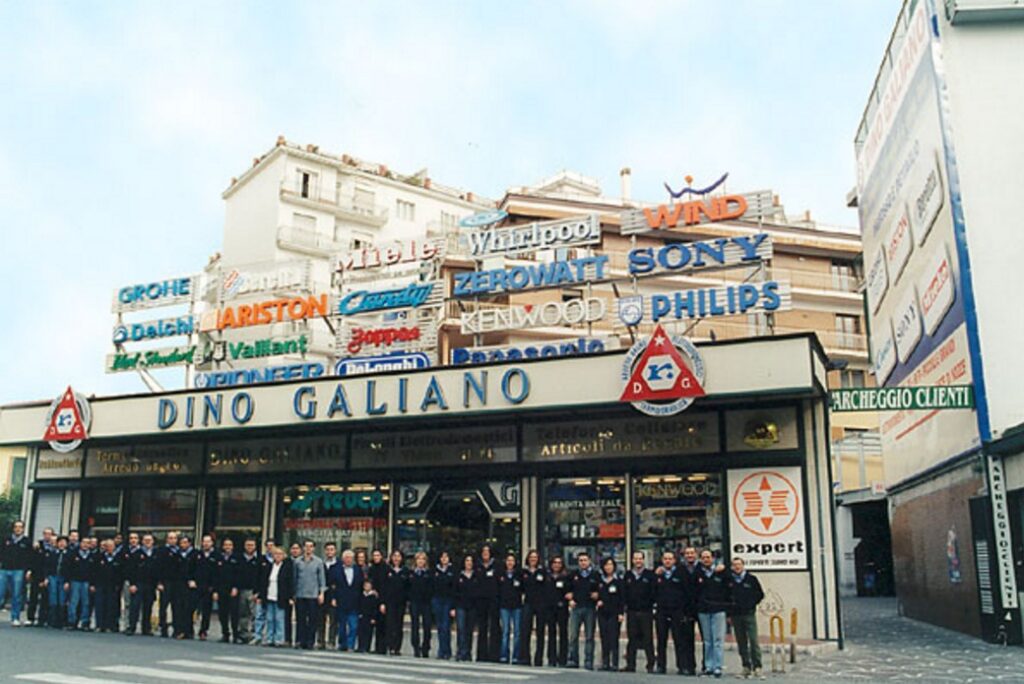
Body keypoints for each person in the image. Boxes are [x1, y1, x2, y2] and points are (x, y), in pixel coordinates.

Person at [654, 550, 696, 675]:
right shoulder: (658, 575)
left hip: (677, 612)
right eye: (665, 559)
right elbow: (652, 592)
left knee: (679, 640)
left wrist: (685, 612)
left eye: (670, 559)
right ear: (662, 560)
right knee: (661, 640)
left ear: (674, 560)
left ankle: (682, 666)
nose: (667, 561)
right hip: (661, 611)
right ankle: (661, 666)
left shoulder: (681, 573)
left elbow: (687, 593)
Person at [728, 557, 765, 680]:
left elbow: (760, 594)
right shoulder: (730, 580)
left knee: (753, 641)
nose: (737, 567)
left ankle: (757, 667)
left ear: (743, 565)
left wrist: (751, 604)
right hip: (736, 615)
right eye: (734, 565)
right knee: (741, 642)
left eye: (739, 564)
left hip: (749, 614)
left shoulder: (751, 579)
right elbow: (726, 596)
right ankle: (746, 666)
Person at [696, 549, 729, 678]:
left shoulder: (721, 573)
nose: (706, 559)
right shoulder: (698, 573)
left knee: (718, 640)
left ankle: (718, 667)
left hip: (719, 610)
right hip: (703, 610)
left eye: (708, 557)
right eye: (703, 557)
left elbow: (728, 588)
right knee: (707, 640)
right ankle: (708, 666)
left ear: (713, 558)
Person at [622, 551, 656, 673]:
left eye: (640, 559)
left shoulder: (650, 575)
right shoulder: (628, 575)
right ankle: (631, 665)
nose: (638, 561)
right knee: (632, 639)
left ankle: (650, 665)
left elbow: (654, 593)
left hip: (646, 612)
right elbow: (624, 593)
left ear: (643, 560)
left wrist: (650, 605)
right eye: (635, 559)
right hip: (632, 612)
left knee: (648, 639)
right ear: (632, 560)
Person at [566, 551, 599, 670]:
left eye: (585, 560)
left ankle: (588, 661)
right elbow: (566, 589)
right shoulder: (573, 575)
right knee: (573, 636)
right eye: (580, 560)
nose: (583, 562)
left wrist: (597, 595)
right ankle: (573, 660)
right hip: (576, 608)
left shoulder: (595, 575)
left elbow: (600, 590)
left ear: (589, 561)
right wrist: (569, 598)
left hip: (590, 608)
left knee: (589, 636)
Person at [293, 540, 326, 650]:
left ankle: (310, 642)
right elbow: (295, 578)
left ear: (313, 548)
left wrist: (321, 593)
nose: (308, 549)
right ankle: (300, 641)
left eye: (310, 546)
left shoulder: (318, 562)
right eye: (306, 546)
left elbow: (322, 579)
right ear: (303, 548)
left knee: (312, 620)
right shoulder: (297, 562)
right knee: (300, 619)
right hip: (300, 594)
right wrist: (293, 594)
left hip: (313, 595)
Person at [259, 546, 294, 648]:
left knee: (279, 619)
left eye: (280, 554)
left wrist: (290, 597)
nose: (278, 556)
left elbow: (290, 583)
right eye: (276, 554)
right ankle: (270, 639)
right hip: (269, 595)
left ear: (283, 556)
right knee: (270, 619)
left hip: (281, 597)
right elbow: (264, 581)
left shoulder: (287, 567)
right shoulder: (269, 566)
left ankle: (279, 639)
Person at [0, 520, 33, 626]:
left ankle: (15, 617)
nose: (18, 529)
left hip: (19, 570)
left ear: (23, 529)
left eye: (20, 527)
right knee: (0, 592)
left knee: (17, 594)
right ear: (13, 528)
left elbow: (29, 557)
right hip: (4, 569)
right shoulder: (6, 539)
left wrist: (28, 570)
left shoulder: (27, 541)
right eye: (16, 527)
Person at [328, 549, 362, 651]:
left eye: (350, 558)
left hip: (354, 602)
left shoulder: (357, 570)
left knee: (353, 626)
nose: (348, 560)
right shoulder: (336, 570)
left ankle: (350, 645)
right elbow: (332, 585)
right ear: (343, 559)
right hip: (341, 601)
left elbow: (360, 585)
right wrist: (333, 598)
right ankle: (342, 644)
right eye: (346, 558)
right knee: (342, 626)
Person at [125, 533, 157, 636]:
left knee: (148, 607)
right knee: (135, 606)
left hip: (151, 585)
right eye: (145, 540)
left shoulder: (156, 554)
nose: (148, 542)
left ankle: (146, 628)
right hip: (138, 584)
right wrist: (132, 584)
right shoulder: (136, 554)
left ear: (153, 542)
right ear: (142, 541)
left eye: (150, 540)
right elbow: (130, 570)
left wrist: (158, 583)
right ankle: (132, 627)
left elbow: (160, 570)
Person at [520, 549, 548, 667]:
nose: (533, 559)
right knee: (525, 630)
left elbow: (547, 587)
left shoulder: (543, 572)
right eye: (531, 557)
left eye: (535, 557)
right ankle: (525, 658)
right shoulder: (523, 572)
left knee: (540, 632)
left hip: (541, 604)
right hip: (528, 603)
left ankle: (538, 659)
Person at [596, 557, 624, 672]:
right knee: (604, 638)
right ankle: (605, 662)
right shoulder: (600, 581)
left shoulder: (618, 581)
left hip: (614, 613)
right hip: (602, 613)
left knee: (614, 638)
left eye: (611, 565)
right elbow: (595, 594)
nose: (608, 567)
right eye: (606, 565)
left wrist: (621, 613)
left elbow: (622, 598)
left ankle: (615, 663)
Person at [497, 552, 525, 665]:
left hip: (517, 607)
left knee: (517, 632)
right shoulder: (501, 575)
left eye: (512, 561)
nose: (510, 563)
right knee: (505, 631)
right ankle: (504, 655)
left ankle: (516, 656)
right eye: (508, 560)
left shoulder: (519, 575)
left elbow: (523, 589)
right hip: (504, 607)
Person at [381, 549, 410, 655]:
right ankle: (390, 646)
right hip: (389, 602)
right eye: (394, 556)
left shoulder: (406, 571)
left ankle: (397, 647)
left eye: (398, 556)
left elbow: (408, 588)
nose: (396, 558)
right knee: (389, 624)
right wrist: (382, 603)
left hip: (401, 602)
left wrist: (407, 601)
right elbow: (383, 588)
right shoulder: (387, 570)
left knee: (398, 625)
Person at [475, 544, 500, 662]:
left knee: (494, 627)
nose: (485, 553)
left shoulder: (497, 566)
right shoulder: (477, 566)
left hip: (493, 600)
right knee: (482, 627)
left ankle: (494, 655)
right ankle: (481, 655)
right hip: (480, 600)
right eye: (483, 551)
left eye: (487, 551)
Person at [91, 538, 122, 633]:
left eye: (111, 546)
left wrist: (118, 584)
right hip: (100, 585)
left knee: (111, 606)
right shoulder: (99, 557)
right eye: (107, 546)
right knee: (99, 605)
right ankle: (99, 625)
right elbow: (93, 572)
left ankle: (110, 626)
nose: (109, 548)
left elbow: (121, 573)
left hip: (113, 586)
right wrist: (93, 584)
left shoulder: (118, 558)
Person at [213, 538, 240, 643]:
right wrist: (215, 591)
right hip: (221, 589)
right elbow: (215, 575)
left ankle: (235, 635)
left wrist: (236, 587)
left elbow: (239, 574)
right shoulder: (218, 558)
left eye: (230, 545)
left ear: (232, 546)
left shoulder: (237, 558)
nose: (227, 547)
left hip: (232, 589)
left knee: (234, 614)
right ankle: (225, 633)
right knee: (222, 613)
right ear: (223, 546)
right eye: (226, 545)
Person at [27, 527, 54, 627]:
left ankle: (42, 619)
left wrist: (47, 577)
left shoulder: (53, 548)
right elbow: (31, 559)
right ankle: (30, 618)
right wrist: (29, 570)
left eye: (49, 534)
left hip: (47, 576)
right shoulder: (37, 546)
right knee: (33, 597)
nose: (47, 536)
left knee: (45, 599)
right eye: (45, 534)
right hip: (36, 574)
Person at [154, 531, 179, 637]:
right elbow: (158, 567)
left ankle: (176, 628)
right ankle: (163, 627)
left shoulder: (179, 551)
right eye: (170, 538)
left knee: (176, 606)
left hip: (177, 583)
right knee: (164, 605)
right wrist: (159, 582)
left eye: (174, 538)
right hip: (165, 582)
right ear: (167, 539)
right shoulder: (161, 551)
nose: (172, 540)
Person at [409, 551, 434, 658]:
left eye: (423, 559)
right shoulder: (411, 573)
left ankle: (426, 647)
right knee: (414, 625)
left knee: (427, 625)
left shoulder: (429, 574)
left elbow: (432, 588)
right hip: (414, 602)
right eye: (418, 559)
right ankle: (416, 647)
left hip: (426, 602)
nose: (420, 561)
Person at [66, 536, 94, 630]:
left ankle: (85, 622)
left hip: (87, 582)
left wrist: (92, 584)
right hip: (75, 581)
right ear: (80, 543)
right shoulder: (73, 554)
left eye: (88, 543)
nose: (85, 545)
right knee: (73, 602)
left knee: (86, 603)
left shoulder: (93, 556)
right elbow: (68, 568)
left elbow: (95, 571)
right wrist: (67, 581)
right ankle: (71, 622)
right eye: (84, 542)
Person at [235, 538, 260, 644]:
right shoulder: (239, 558)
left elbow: (262, 577)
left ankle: (255, 635)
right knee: (243, 613)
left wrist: (258, 592)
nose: (250, 547)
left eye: (252, 545)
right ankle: (243, 634)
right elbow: (235, 574)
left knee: (255, 613)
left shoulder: (259, 559)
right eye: (248, 545)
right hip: (242, 590)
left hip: (254, 591)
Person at [453, 554, 477, 662]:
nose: (469, 563)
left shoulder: (476, 576)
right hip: (460, 606)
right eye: (467, 560)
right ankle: (460, 652)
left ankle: (468, 652)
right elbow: (454, 592)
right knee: (461, 629)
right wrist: (453, 607)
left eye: (471, 561)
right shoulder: (459, 576)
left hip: (472, 607)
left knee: (469, 630)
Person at [174, 535, 199, 639]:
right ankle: (179, 630)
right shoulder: (177, 554)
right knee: (178, 608)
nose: (183, 545)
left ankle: (188, 630)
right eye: (181, 543)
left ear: (189, 543)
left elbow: (199, 569)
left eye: (185, 542)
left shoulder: (195, 554)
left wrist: (194, 580)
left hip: (191, 585)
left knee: (189, 608)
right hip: (179, 584)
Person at [432, 550, 455, 660]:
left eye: (446, 557)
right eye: (442, 557)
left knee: (446, 626)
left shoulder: (452, 571)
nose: (444, 559)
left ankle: (447, 650)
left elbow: (454, 588)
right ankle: (441, 650)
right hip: (437, 600)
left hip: (448, 601)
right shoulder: (435, 570)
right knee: (440, 627)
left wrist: (453, 606)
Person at [548, 555, 570, 667]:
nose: (557, 565)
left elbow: (570, 590)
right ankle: (551, 658)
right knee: (551, 633)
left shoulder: (566, 577)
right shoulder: (547, 576)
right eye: (555, 562)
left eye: (559, 563)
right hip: (550, 608)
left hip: (562, 608)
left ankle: (563, 658)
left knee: (563, 633)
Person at [43, 534, 69, 629]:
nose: (62, 544)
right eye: (60, 542)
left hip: (63, 578)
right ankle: (51, 621)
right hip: (53, 576)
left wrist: (68, 581)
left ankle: (61, 622)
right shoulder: (52, 553)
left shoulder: (69, 554)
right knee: (53, 598)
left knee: (62, 599)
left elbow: (71, 569)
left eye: (64, 542)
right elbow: (47, 566)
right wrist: (46, 578)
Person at [195, 534, 217, 640]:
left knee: (206, 611)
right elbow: (191, 568)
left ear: (212, 543)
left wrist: (214, 588)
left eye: (208, 542)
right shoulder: (197, 554)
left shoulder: (216, 556)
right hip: (196, 586)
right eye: (204, 541)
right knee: (190, 608)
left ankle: (203, 631)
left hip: (209, 588)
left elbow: (219, 573)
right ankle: (187, 630)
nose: (206, 543)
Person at [318, 542, 339, 650]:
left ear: (335, 551)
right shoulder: (321, 563)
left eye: (332, 549)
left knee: (333, 620)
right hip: (322, 594)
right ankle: (320, 641)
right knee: (320, 619)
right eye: (328, 549)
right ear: (325, 551)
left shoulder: (339, 564)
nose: (330, 552)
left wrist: (336, 597)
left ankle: (331, 641)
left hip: (333, 596)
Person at [367, 549, 388, 654]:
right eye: (374, 555)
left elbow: (385, 586)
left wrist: (383, 602)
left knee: (382, 624)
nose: (376, 557)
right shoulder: (371, 569)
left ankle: (382, 647)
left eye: (378, 555)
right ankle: (374, 646)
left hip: (382, 599)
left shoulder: (385, 568)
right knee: (372, 623)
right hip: (372, 599)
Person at [357, 578, 381, 653]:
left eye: (368, 585)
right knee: (361, 632)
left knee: (369, 633)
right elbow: (359, 605)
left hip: (370, 617)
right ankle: (360, 646)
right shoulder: (361, 595)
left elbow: (375, 608)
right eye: (365, 585)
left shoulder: (373, 597)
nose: (367, 587)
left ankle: (367, 647)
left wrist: (373, 618)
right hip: (362, 616)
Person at [285, 543, 302, 647]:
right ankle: (287, 639)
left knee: (300, 618)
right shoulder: (286, 562)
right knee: (287, 617)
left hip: (301, 593)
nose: (295, 550)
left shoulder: (303, 561)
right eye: (293, 548)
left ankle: (299, 640)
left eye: (297, 548)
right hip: (288, 593)